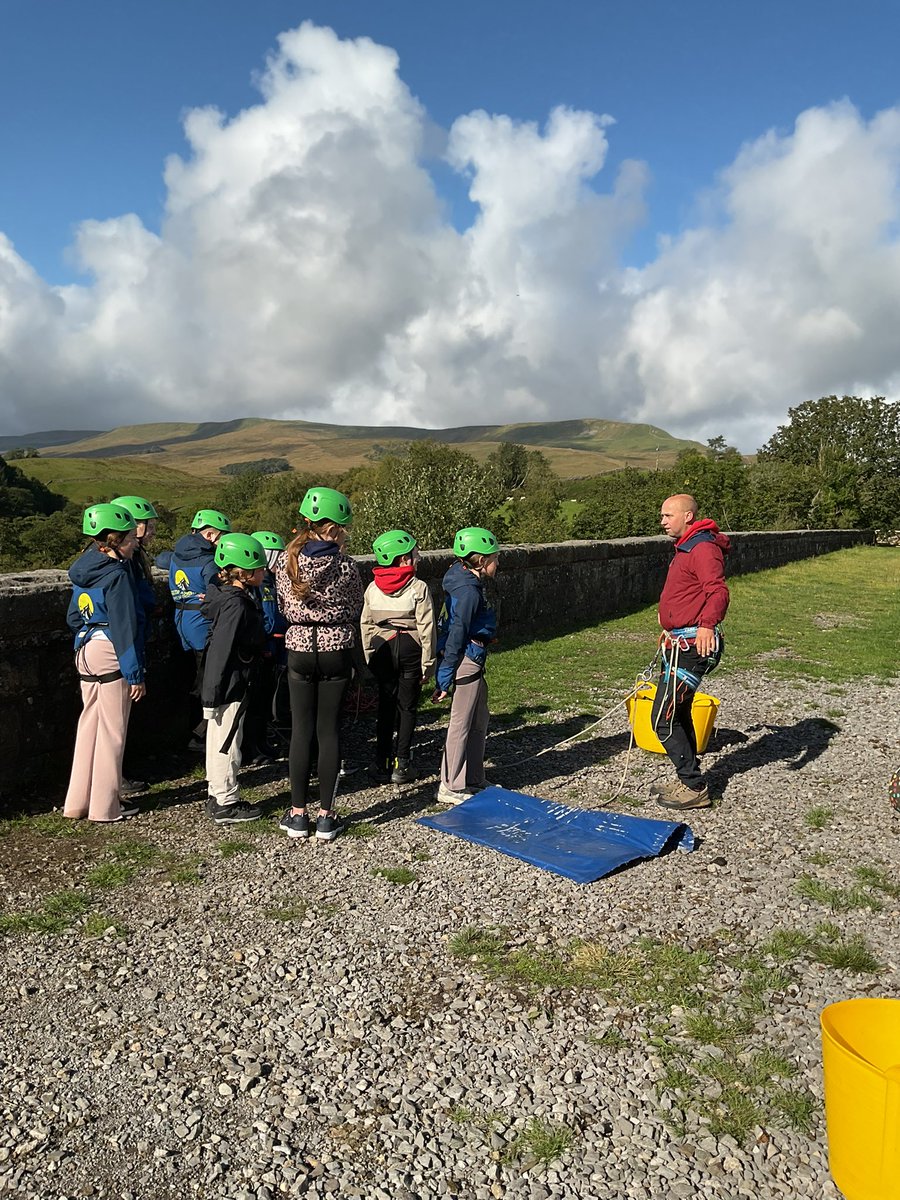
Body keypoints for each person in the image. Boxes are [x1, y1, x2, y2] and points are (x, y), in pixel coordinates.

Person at [275, 487, 362, 841]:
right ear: (338, 527)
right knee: (329, 730)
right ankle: (326, 816)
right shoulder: (346, 565)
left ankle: (297, 814)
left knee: (301, 730)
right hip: (336, 648)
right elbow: (355, 606)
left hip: (298, 647)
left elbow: (282, 605)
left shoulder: (285, 561)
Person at [63, 503, 146, 823]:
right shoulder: (117, 575)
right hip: (111, 649)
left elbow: (73, 616)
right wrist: (135, 674)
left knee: (88, 727)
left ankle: (76, 803)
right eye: (129, 539)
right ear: (114, 541)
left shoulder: (84, 570)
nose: (135, 542)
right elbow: (125, 628)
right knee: (113, 731)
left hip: (84, 649)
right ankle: (105, 808)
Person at [650, 493, 730, 811]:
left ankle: (694, 786)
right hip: (678, 641)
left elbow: (718, 591)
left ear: (688, 517)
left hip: (694, 646)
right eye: (662, 515)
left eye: (668, 515)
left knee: (663, 718)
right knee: (679, 712)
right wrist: (670, 627)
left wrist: (707, 625)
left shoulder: (703, 548)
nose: (662, 521)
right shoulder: (687, 546)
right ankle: (687, 778)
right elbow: (686, 594)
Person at [201, 533, 268, 823]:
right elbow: (222, 649)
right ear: (243, 570)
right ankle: (226, 802)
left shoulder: (226, 596)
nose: (265, 572)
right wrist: (213, 692)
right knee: (228, 740)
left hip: (224, 680)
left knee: (219, 737)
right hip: (230, 682)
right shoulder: (237, 605)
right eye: (260, 568)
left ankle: (216, 793)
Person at [361, 529, 436, 785]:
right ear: (403, 559)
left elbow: (366, 623)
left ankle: (380, 760)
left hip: (383, 646)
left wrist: (369, 655)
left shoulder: (372, 587)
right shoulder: (418, 587)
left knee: (385, 705)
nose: (418, 557)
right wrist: (429, 663)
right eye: (414, 554)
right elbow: (427, 627)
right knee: (407, 706)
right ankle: (402, 763)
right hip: (410, 647)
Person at [433, 528, 499, 805]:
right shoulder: (469, 591)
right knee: (461, 722)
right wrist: (445, 677)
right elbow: (458, 632)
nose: (499, 563)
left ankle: (473, 777)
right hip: (466, 660)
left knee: (479, 719)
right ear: (482, 561)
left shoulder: (461, 577)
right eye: (496, 558)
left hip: (473, 658)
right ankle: (450, 785)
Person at [167, 508, 231, 750]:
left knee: (192, 679)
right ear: (211, 535)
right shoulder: (207, 560)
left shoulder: (177, 555)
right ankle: (201, 735)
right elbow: (216, 592)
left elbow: (161, 559)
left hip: (181, 620)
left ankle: (193, 734)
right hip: (201, 625)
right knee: (206, 681)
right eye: (223, 536)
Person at [112, 495, 159, 794]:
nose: (152, 531)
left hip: (136, 635)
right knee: (116, 715)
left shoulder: (134, 557)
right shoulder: (124, 563)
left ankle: (122, 772)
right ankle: (118, 777)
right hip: (124, 642)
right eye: (148, 526)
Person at [242, 530, 287, 763]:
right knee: (256, 701)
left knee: (265, 699)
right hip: (265, 646)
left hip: (275, 645)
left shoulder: (270, 581)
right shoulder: (260, 584)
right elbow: (265, 618)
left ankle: (262, 742)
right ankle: (253, 747)